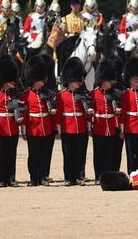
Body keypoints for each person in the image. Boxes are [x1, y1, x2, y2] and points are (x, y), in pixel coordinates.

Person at [20, 55, 55, 186]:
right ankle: (34, 177)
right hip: (32, 128)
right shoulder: (25, 95)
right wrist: (23, 129)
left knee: (45, 154)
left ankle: (44, 176)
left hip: (45, 127)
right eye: (39, 80)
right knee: (33, 154)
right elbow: (23, 112)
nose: (42, 82)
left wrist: (53, 127)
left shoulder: (48, 94)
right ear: (33, 80)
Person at [56, 57, 90, 186]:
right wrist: (59, 130)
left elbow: (86, 113)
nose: (79, 84)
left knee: (81, 154)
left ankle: (79, 176)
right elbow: (59, 114)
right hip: (67, 127)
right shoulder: (61, 95)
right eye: (77, 81)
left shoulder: (83, 95)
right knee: (68, 154)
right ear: (70, 81)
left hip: (81, 127)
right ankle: (69, 177)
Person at [0, 55, 21, 187]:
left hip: (12, 126)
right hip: (0, 126)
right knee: (0, 153)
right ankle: (1, 178)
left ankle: (11, 177)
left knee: (11, 153)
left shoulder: (15, 93)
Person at [119, 57, 138, 173]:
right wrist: (122, 130)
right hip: (130, 128)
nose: (136, 79)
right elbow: (123, 115)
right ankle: (132, 174)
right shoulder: (126, 94)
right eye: (133, 77)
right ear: (129, 79)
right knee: (131, 155)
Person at [90, 58, 118, 182]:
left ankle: (106, 177)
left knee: (108, 155)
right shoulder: (94, 94)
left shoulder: (114, 94)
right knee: (98, 154)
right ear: (103, 81)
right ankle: (98, 176)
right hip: (99, 127)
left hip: (110, 128)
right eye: (108, 81)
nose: (111, 83)